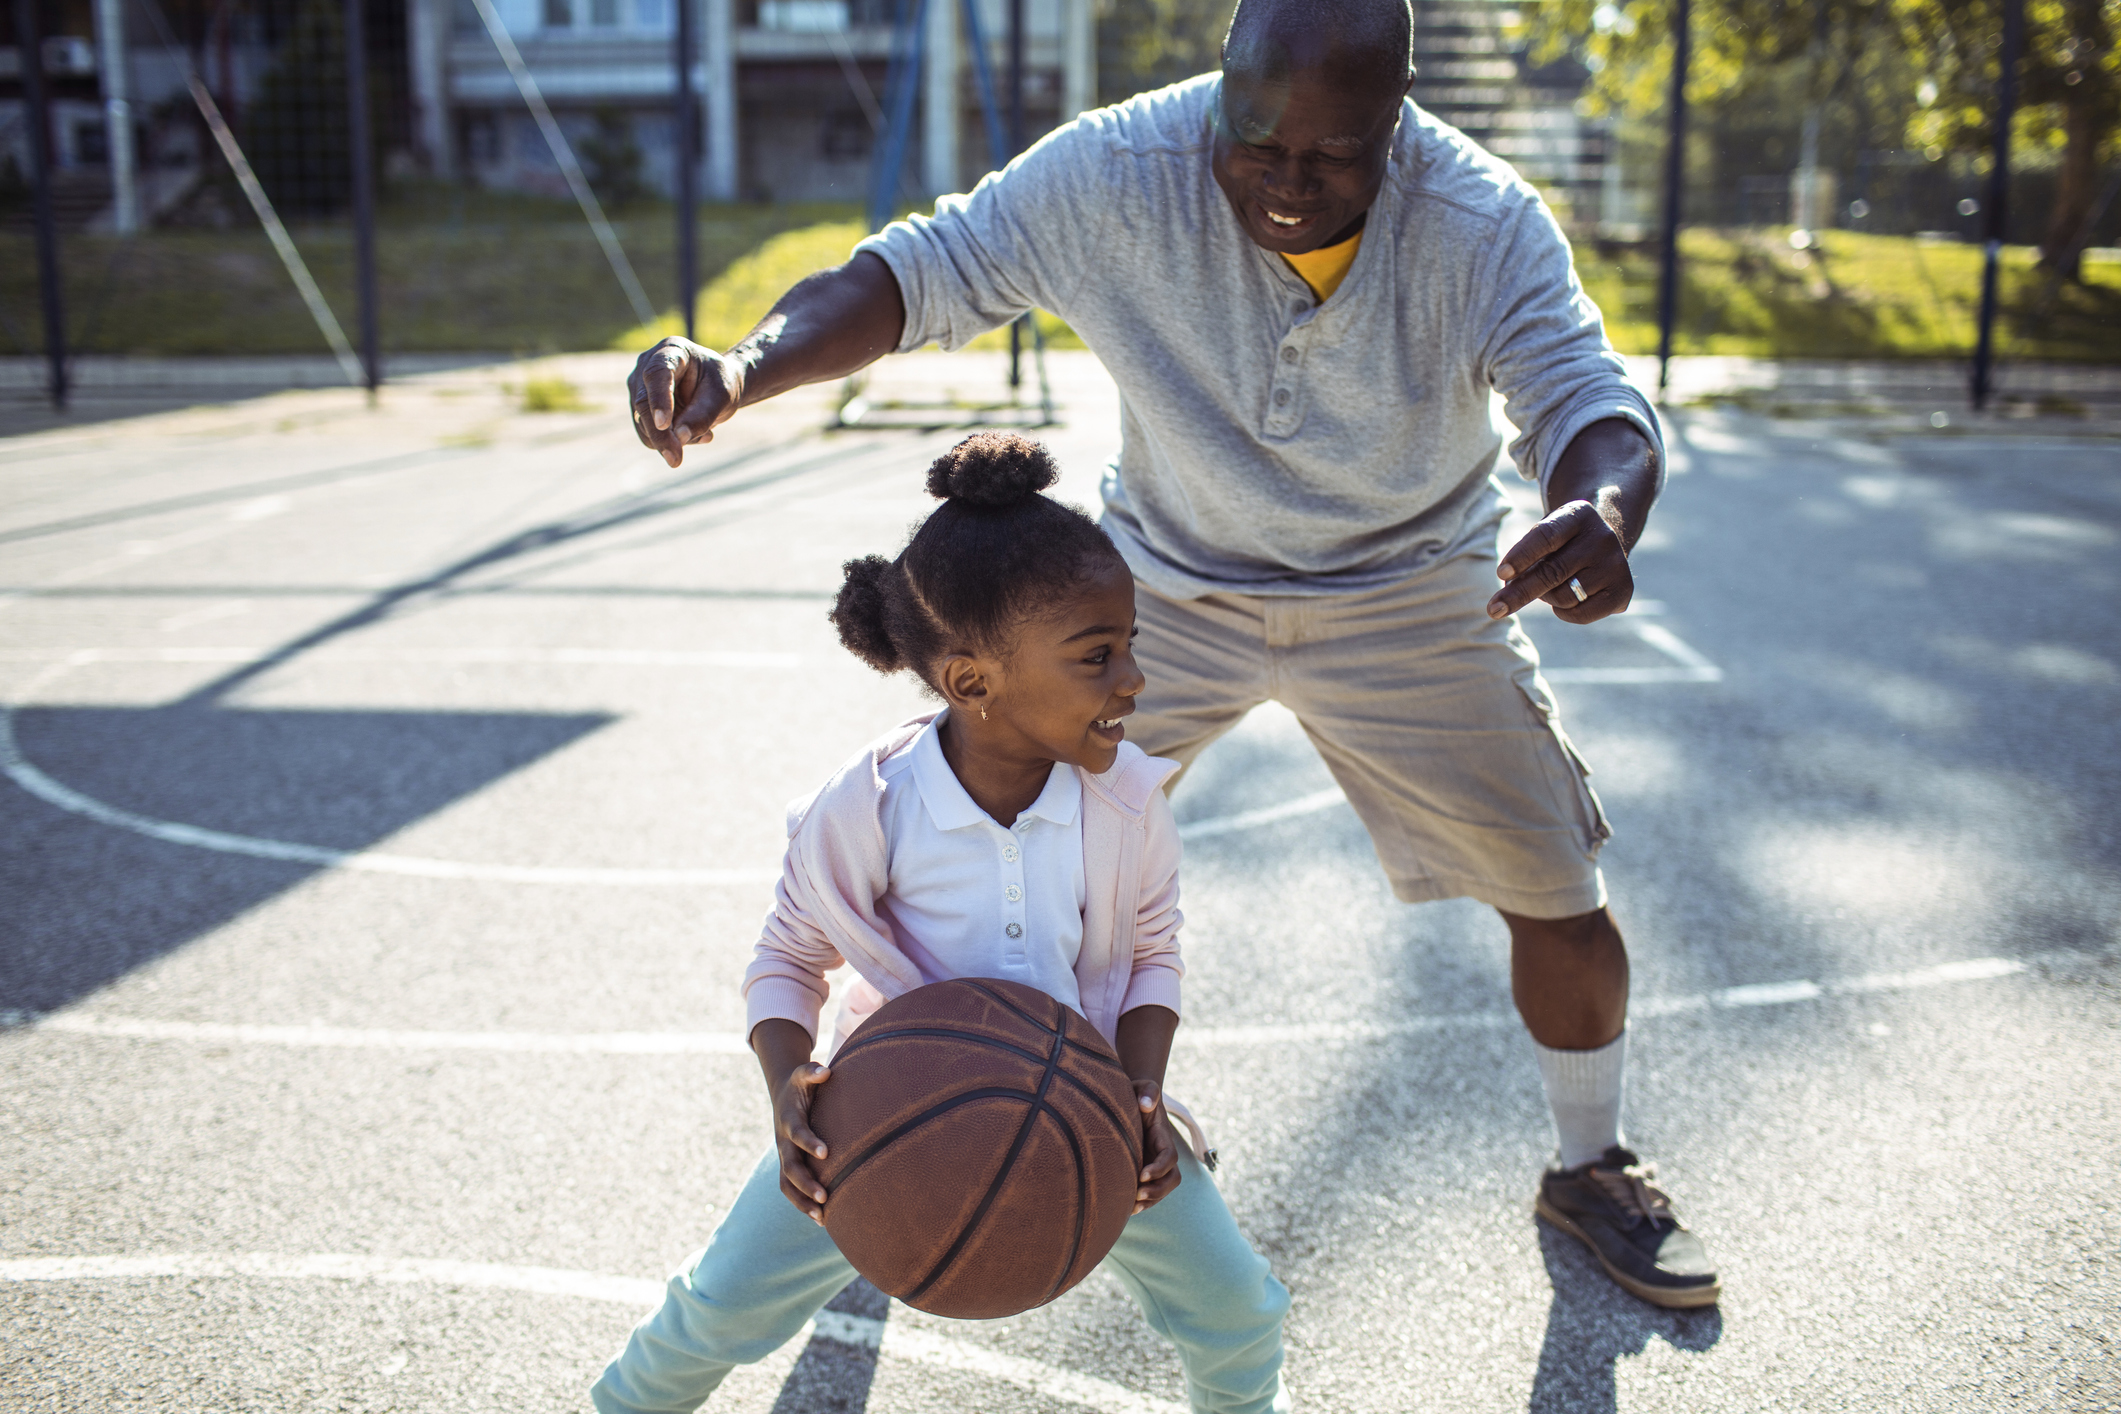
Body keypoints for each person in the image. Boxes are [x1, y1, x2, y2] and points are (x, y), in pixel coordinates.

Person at [625, 0, 1718, 1310]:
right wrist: (742, 368)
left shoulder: (1479, 221)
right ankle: (908, 1121)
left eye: (1332, 157)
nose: (1285, 182)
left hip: (1410, 587)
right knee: (973, 835)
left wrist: (1600, 508)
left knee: (1557, 883)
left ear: (1401, 123)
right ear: (1219, 90)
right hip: (1164, 585)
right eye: (1254, 143)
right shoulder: (1120, 169)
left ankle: (1588, 1162)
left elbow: (1589, 401)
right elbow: (915, 273)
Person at [592, 434, 1290, 1414]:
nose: (1132, 677)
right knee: (716, 1309)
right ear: (972, 683)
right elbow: (788, 959)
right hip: (879, 1118)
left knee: (1243, 1310)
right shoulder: (870, 807)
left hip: (1084, 1108)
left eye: (1131, 643)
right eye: (1098, 655)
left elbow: (1152, 954)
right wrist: (788, 1087)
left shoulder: (1128, 802)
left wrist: (1142, 1088)